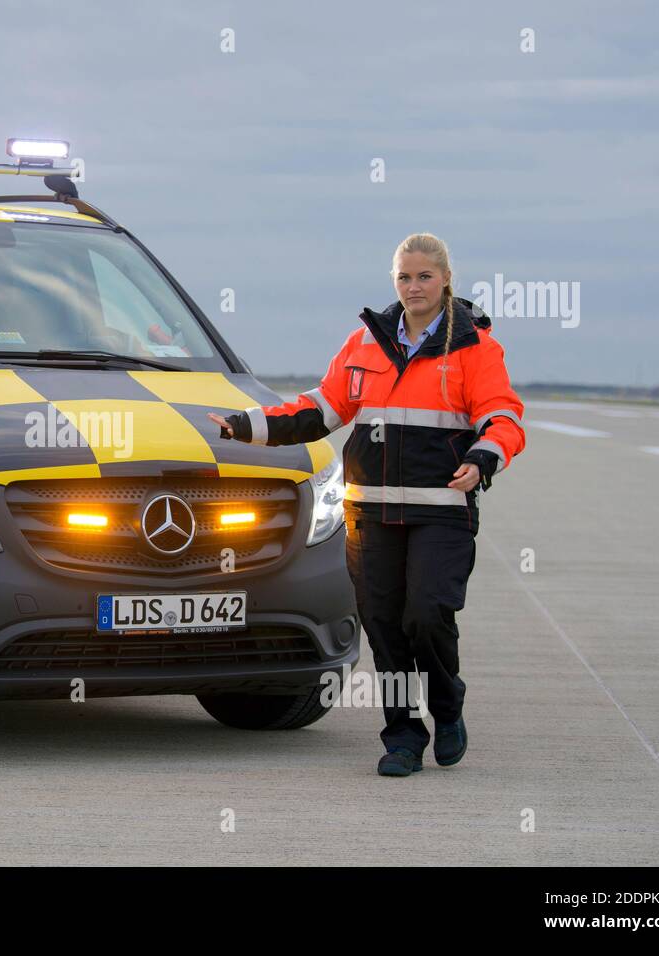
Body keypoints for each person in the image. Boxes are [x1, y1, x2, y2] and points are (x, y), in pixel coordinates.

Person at [209, 233, 526, 777]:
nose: (414, 286)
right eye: (404, 277)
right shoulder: (365, 343)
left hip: (439, 509)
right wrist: (248, 425)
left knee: (426, 615)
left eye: (425, 276)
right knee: (383, 626)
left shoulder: (474, 346)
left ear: (446, 279)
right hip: (371, 513)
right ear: (393, 282)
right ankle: (403, 735)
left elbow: (503, 415)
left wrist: (484, 457)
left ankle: (447, 709)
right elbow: (321, 410)